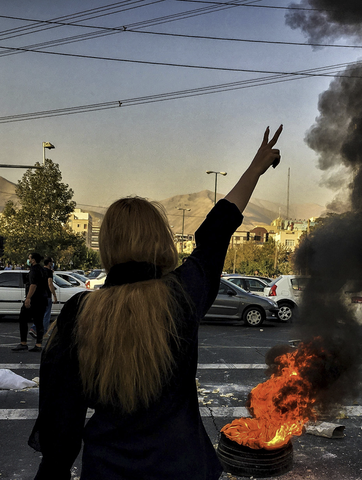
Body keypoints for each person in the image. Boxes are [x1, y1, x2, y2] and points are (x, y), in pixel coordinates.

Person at [28, 125, 282, 479]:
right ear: (161, 240)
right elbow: (216, 231)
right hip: (184, 468)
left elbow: (60, 429)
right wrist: (255, 169)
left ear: (107, 246)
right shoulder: (182, 294)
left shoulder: (79, 314)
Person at [12, 253, 49, 352]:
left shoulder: (34, 270)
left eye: (29, 258)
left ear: (33, 260)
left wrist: (28, 298)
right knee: (39, 322)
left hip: (35, 300)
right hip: (42, 299)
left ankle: (23, 343)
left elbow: (33, 285)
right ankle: (38, 344)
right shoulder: (42, 269)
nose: (28, 260)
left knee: (23, 318)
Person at [29, 257, 58, 340]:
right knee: (46, 314)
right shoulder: (49, 272)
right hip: (47, 296)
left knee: (40, 314)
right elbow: (50, 283)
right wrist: (54, 295)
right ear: (49, 263)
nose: (52, 263)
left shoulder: (41, 270)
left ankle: (34, 328)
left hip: (39, 295)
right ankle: (43, 332)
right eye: (52, 262)